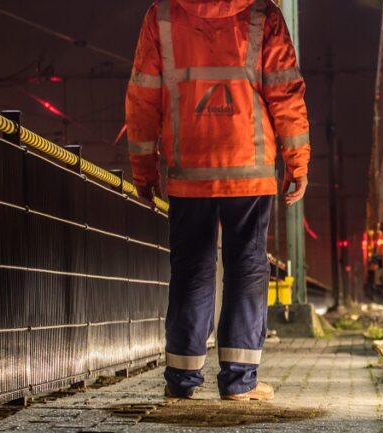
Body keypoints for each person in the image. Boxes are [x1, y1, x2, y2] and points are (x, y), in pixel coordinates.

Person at [125, 0, 310, 401]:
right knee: (246, 268)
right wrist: (298, 163)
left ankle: (181, 380)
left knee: (191, 269)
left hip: (188, 170)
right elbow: (286, 92)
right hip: (250, 166)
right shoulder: (264, 14)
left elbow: (143, 95)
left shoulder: (163, 15)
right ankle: (240, 383)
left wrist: (143, 168)